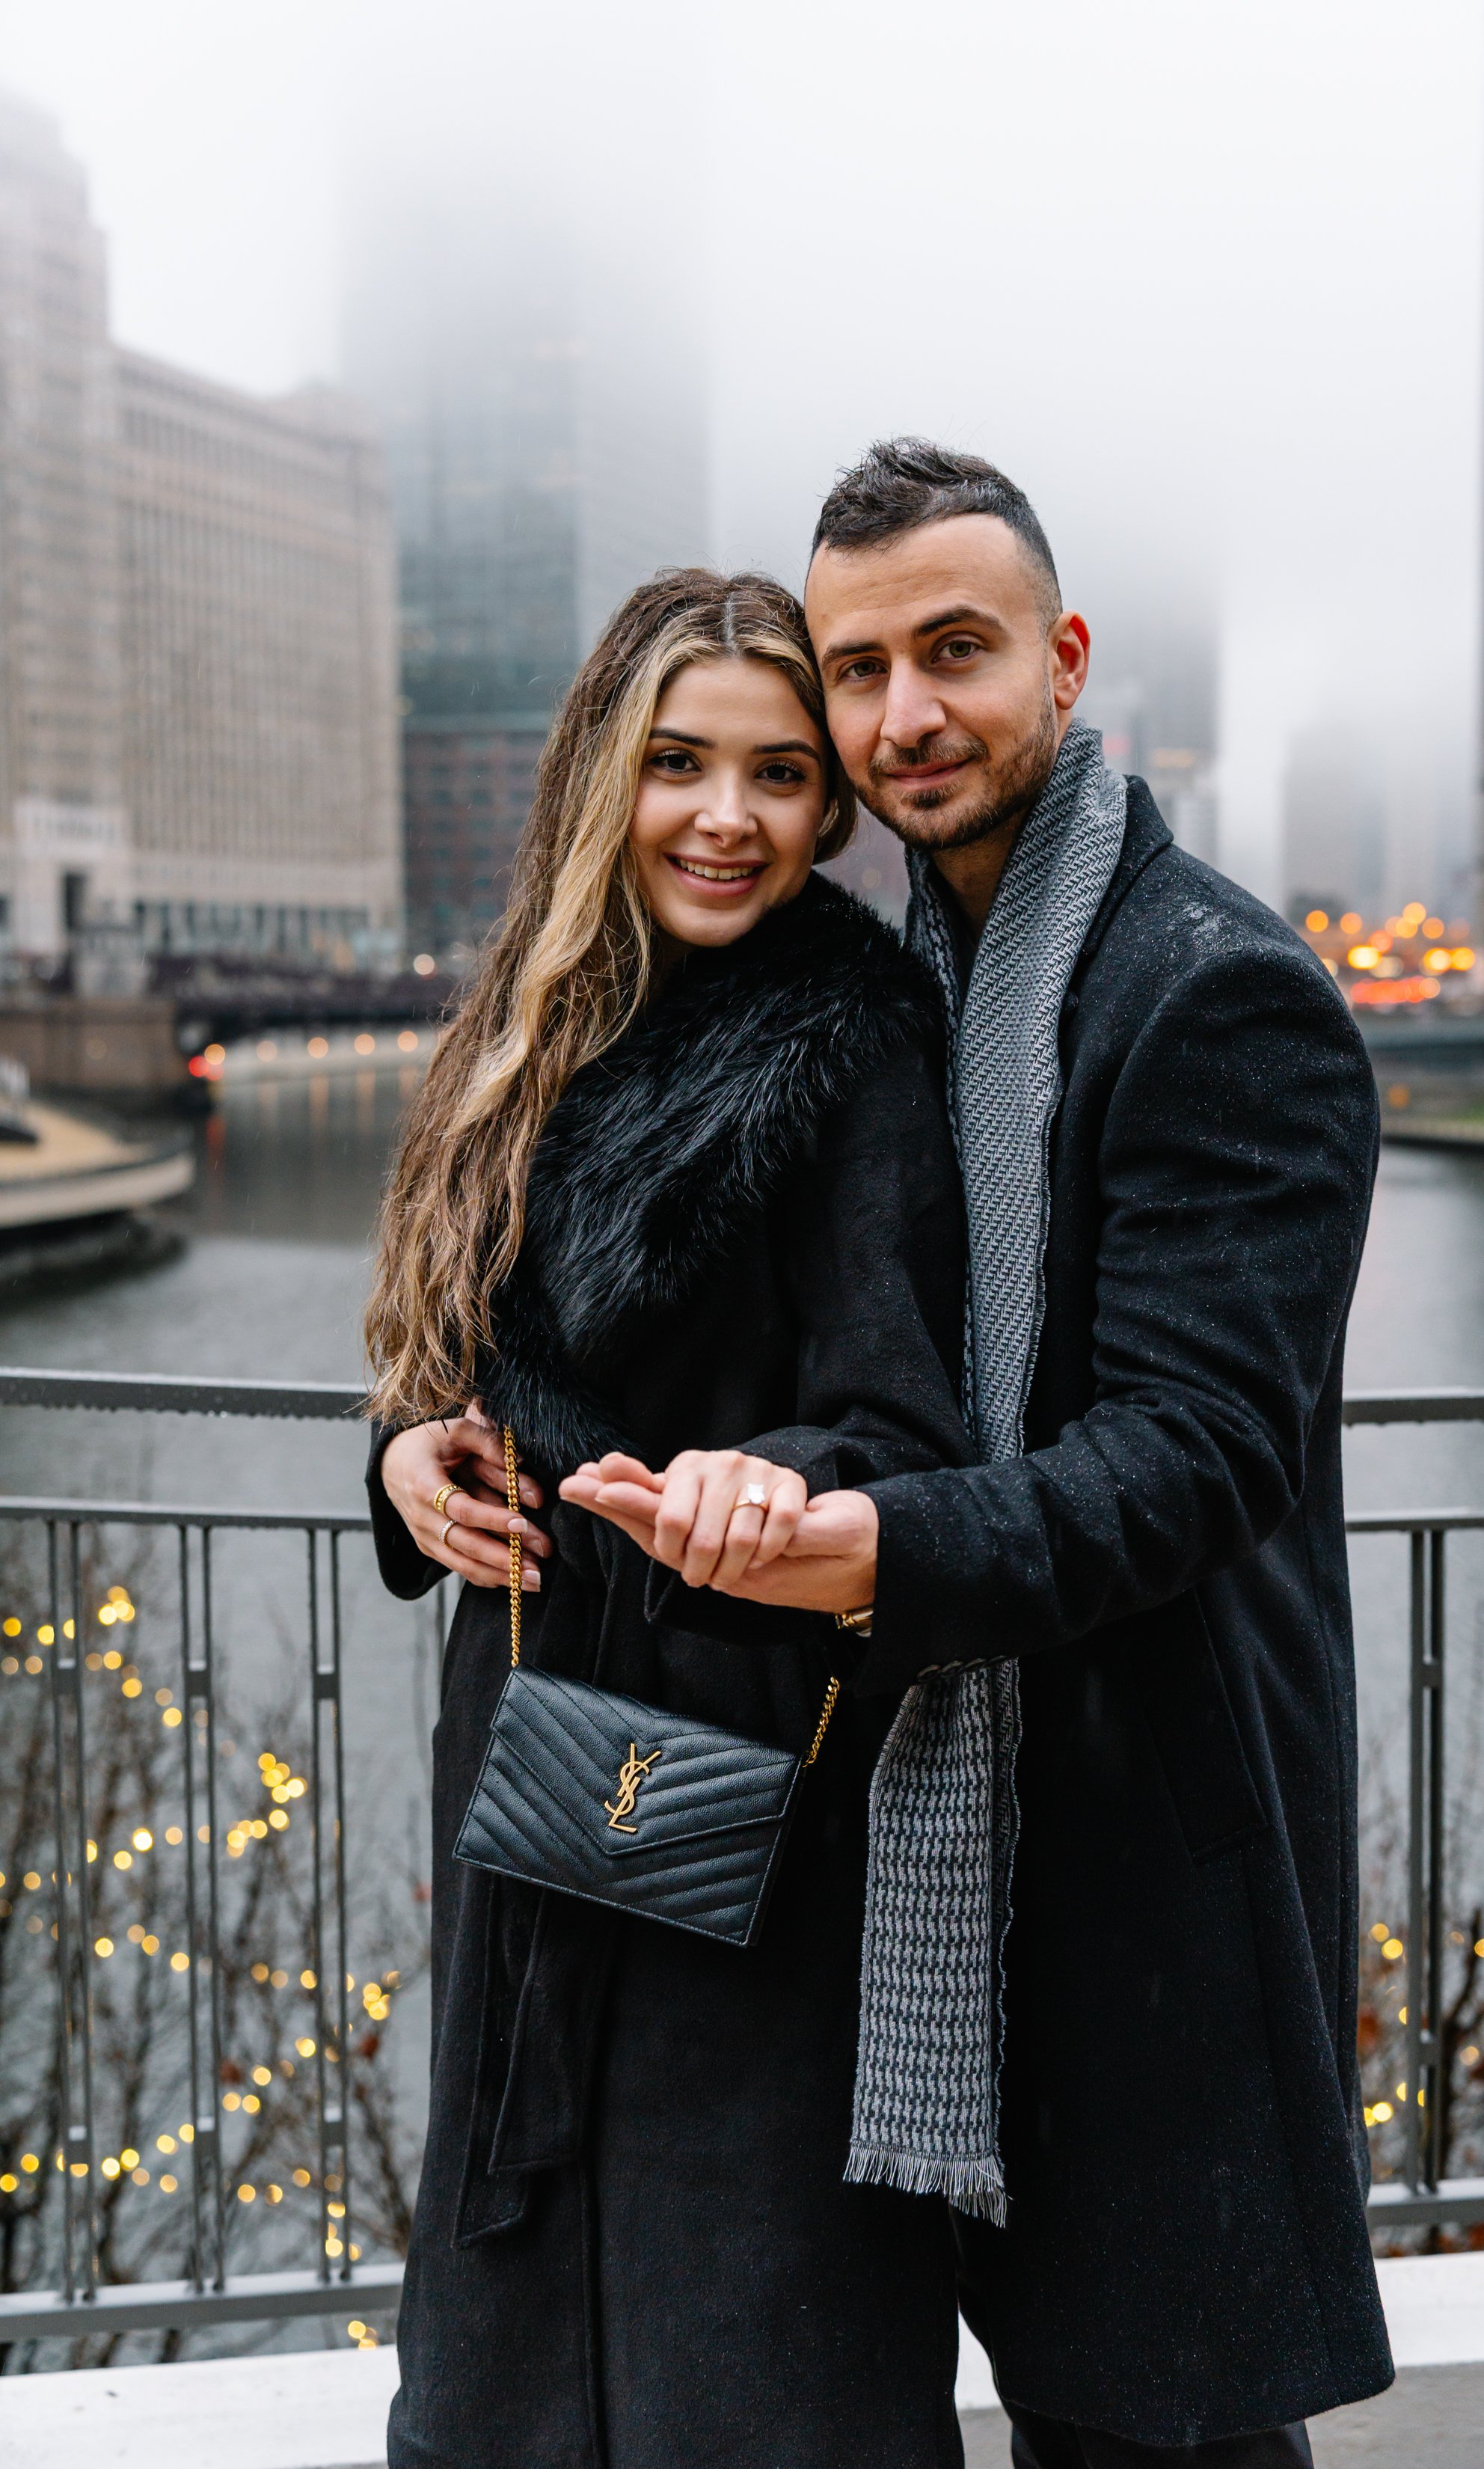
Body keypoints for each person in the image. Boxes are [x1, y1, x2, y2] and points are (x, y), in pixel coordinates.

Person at [568, 441, 1396, 2468]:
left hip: (1139, 1878)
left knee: (1156, 2424)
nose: (904, 713)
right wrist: (431, 1445)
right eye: (859, 671)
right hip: (922, 1854)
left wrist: (859, 1545)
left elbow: (1193, 1462)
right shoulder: (894, 989)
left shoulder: (1219, 995)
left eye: (956, 650)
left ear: (1065, 657)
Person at [362, 568, 978, 2469]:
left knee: (743, 2300)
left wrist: (771, 1473)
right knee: (517, 2260)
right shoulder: (533, 1023)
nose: (728, 816)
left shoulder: (852, 1042)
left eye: (782, 776)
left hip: (741, 1739)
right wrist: (399, 1459)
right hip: (535, 1725)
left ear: (827, 810)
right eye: (681, 764)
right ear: (601, 774)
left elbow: (900, 1417)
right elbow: (455, 1365)